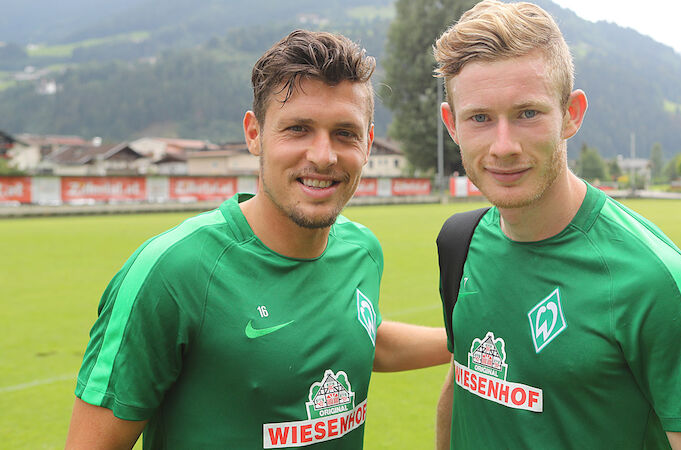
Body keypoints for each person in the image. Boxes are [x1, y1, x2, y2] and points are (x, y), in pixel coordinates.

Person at [65, 29, 450, 449]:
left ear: (369, 143)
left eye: (345, 133)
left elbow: (361, 338)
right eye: (298, 128)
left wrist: (463, 337)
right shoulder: (172, 271)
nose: (323, 155)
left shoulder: (362, 250)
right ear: (254, 134)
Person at [432, 1, 681, 449]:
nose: (504, 146)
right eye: (480, 118)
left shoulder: (655, 280)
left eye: (528, 113)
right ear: (452, 124)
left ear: (571, 114)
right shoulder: (459, 242)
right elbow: (463, 382)